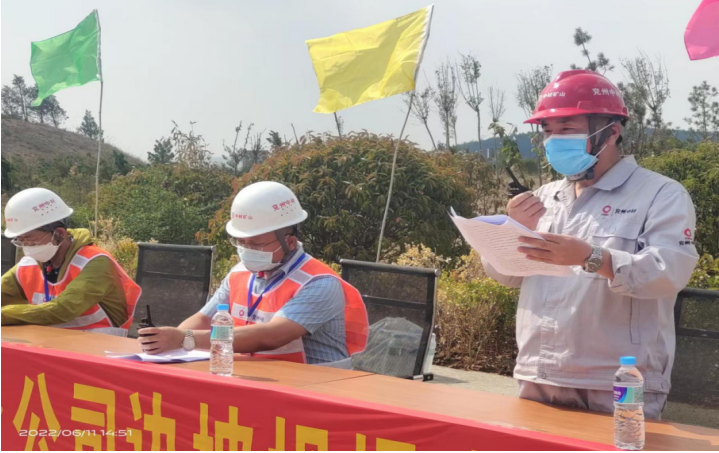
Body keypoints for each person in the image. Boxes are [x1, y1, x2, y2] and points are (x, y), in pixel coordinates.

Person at [483, 70, 699, 419]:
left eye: (567, 129)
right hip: (539, 371)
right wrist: (510, 231)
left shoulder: (660, 194)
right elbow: (507, 276)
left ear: (611, 132)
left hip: (618, 379)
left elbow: (668, 273)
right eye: (548, 131)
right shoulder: (544, 197)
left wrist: (592, 257)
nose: (554, 140)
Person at [138, 181, 369, 368]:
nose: (247, 250)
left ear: (289, 242)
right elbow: (204, 319)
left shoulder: (318, 282)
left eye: (256, 244)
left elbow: (272, 336)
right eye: (241, 243)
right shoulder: (239, 273)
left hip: (319, 387)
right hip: (260, 379)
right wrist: (171, 342)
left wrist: (183, 339)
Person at [2, 188, 140, 336]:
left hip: (100, 344)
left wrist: (4, 315)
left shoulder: (96, 262)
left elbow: (64, 309)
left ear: (59, 233)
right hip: (49, 341)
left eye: (30, 239)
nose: (27, 246)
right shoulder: (28, 265)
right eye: (20, 240)